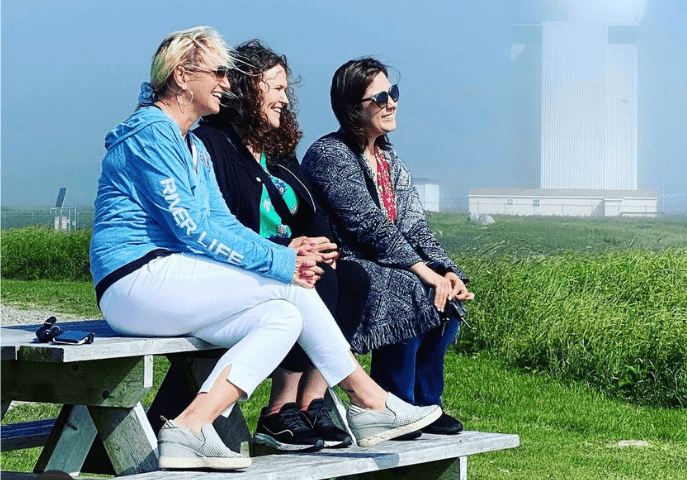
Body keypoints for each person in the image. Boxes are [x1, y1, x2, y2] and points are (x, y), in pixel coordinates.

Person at [89, 28, 442, 470]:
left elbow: (218, 222)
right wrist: (283, 261)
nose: (225, 83)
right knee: (291, 288)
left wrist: (284, 256)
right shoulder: (152, 134)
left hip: (167, 277)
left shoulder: (191, 143)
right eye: (218, 72)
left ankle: (191, 425)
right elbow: (192, 228)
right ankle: (368, 401)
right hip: (134, 279)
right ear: (182, 75)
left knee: (284, 316)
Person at [194, 39, 366, 450]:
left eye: (286, 90)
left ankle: (312, 402)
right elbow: (223, 225)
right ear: (247, 90)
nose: (284, 100)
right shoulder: (213, 145)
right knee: (310, 277)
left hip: (288, 256)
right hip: (242, 265)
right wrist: (292, 245)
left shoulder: (278, 149)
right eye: (276, 88)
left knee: (355, 279)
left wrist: (317, 242)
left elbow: (313, 211)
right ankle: (277, 411)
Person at [302, 57, 474, 435]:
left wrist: (448, 271)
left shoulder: (390, 158)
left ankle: (426, 402)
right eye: (379, 96)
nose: (390, 102)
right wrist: (424, 273)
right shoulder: (329, 154)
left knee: (444, 294)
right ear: (352, 108)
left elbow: (414, 225)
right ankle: (394, 400)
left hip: (390, 260)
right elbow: (368, 226)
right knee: (410, 288)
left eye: (392, 93)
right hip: (346, 260)